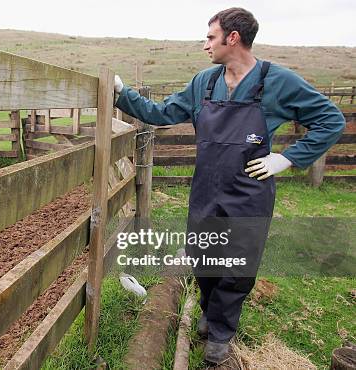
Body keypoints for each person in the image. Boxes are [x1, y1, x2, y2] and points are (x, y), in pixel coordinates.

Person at [113, 7, 345, 365]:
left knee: (238, 265)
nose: (205, 45)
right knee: (204, 257)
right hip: (206, 189)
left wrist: (286, 159)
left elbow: (330, 119)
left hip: (249, 194)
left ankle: (221, 332)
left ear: (232, 38)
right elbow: (160, 114)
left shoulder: (277, 81)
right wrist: (121, 94)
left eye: (210, 37)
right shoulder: (204, 82)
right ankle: (209, 309)